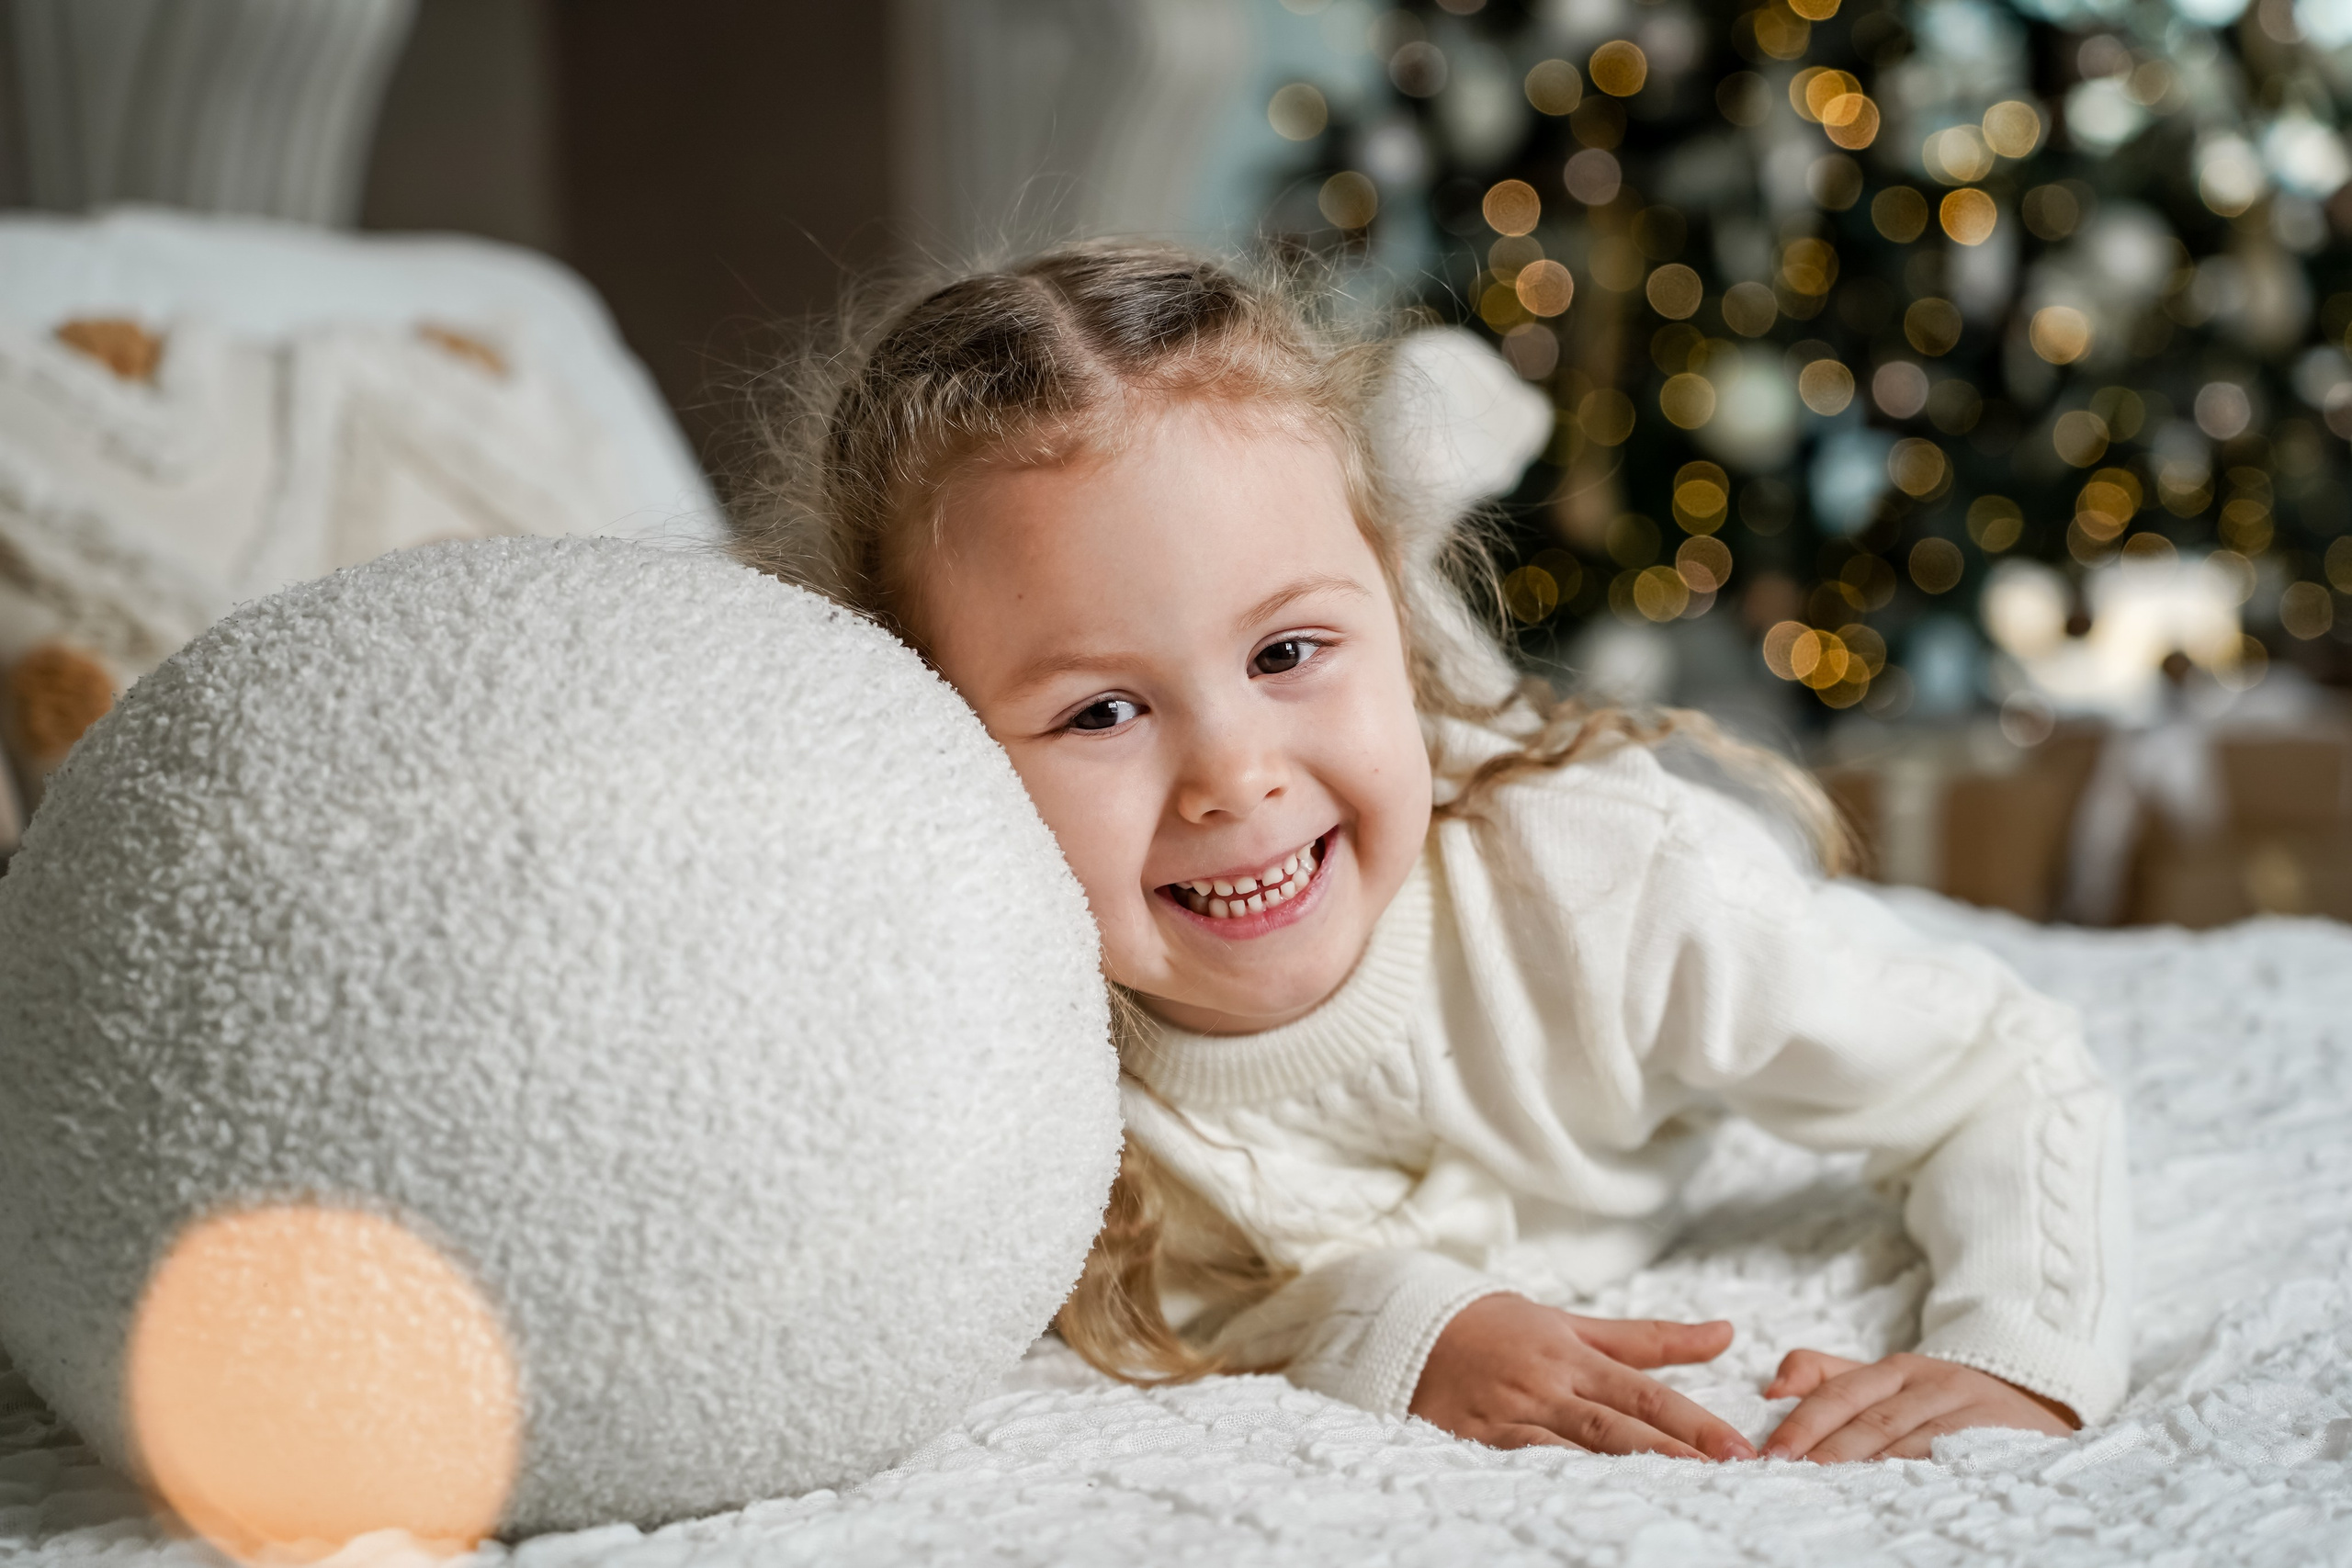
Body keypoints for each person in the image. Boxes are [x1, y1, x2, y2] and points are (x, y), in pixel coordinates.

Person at [731, 242, 2130, 1463]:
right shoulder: (1008, 1044)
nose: (1233, 777)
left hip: (1498, 788)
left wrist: (2017, 1347)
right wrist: (1408, 1323)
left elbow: (1994, 1069)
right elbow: (1182, 1297)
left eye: (1287, 649)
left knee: (1470, 720)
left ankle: (1426, 471)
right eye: (1101, 709)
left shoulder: (1608, 876)